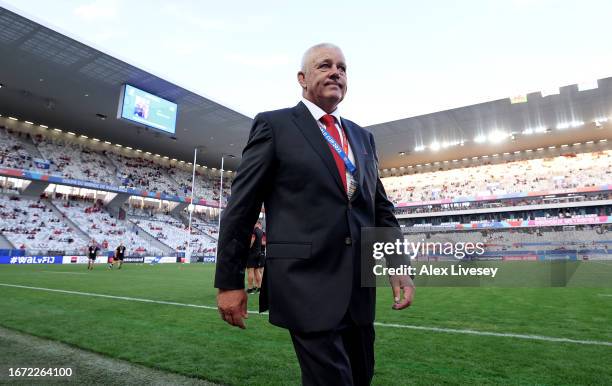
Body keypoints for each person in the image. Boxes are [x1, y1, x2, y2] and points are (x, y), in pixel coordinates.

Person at [214, 43, 414, 386]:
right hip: (305, 284)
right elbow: (242, 207)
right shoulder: (274, 126)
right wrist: (230, 282)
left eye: (342, 67)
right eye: (325, 65)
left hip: (358, 289)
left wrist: (398, 266)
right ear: (302, 78)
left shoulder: (362, 137)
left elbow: (380, 208)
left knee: (360, 377)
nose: (336, 71)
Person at [246, 222, 264, 294]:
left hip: (252, 254)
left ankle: (250, 288)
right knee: (257, 271)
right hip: (258, 253)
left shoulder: (254, 231)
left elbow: (252, 241)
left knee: (250, 271)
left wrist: (247, 248)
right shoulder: (261, 231)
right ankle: (259, 288)